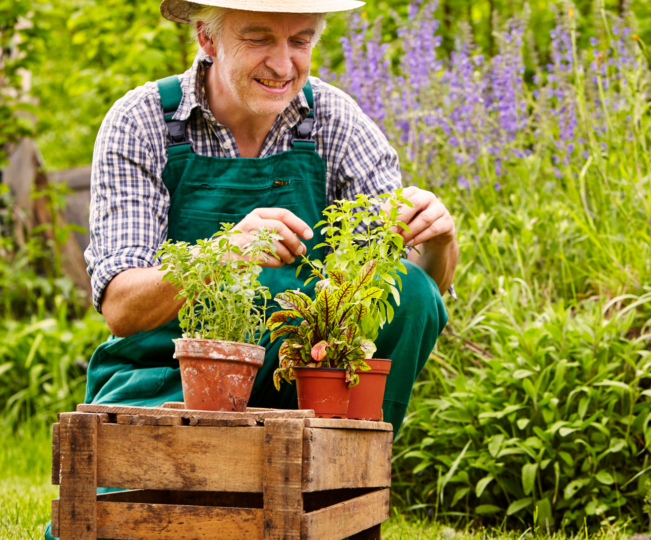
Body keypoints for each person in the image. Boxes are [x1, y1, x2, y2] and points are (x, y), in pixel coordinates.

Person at [81, 0, 457, 436]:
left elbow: (416, 295)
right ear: (207, 37)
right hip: (162, 379)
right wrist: (223, 254)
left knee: (409, 289)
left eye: (300, 41)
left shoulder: (334, 120)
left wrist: (437, 242)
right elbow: (120, 309)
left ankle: (344, 478)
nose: (282, 65)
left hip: (296, 383)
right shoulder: (144, 121)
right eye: (258, 38)